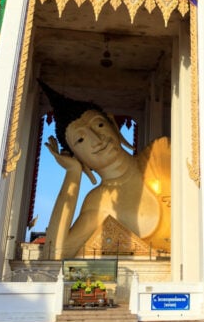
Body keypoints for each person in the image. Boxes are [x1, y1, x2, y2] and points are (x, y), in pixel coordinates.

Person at [39, 80, 170, 259]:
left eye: (99, 125)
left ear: (114, 126)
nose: (96, 139)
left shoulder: (161, 155)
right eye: (81, 140)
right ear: (78, 157)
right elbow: (53, 255)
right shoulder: (99, 202)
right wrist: (73, 174)